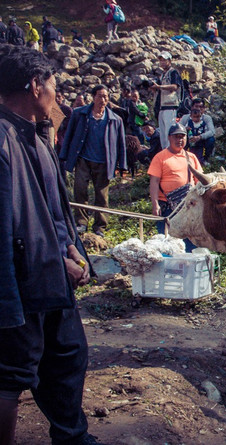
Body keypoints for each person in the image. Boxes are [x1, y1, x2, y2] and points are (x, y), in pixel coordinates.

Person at [0, 44, 104, 445]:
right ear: (34, 85)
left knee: (67, 356)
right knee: (13, 374)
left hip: (52, 277)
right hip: (23, 288)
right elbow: (9, 228)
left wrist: (72, 246)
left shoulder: (38, 135)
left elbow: (53, 208)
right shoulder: (4, 141)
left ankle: (72, 437)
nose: (56, 96)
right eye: (53, 87)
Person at [60, 84, 127, 236]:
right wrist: (65, 155)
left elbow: (120, 144)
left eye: (106, 97)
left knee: (102, 196)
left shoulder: (114, 119)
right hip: (83, 159)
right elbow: (69, 135)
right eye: (100, 96)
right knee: (80, 191)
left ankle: (100, 227)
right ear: (93, 97)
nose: (103, 100)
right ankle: (81, 223)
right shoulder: (80, 114)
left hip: (103, 162)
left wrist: (122, 165)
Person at [148, 123, 202, 252]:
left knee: (190, 242)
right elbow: (154, 182)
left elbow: (199, 181)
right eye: (176, 137)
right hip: (167, 207)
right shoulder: (160, 157)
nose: (180, 140)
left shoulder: (191, 157)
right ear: (169, 138)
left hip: (187, 207)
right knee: (167, 242)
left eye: (182, 137)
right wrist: (155, 204)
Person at [149, 51, 182, 150]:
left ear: (170, 61)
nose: (162, 62)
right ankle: (165, 153)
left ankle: (171, 152)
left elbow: (175, 86)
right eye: (161, 60)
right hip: (162, 107)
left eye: (164, 60)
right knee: (163, 134)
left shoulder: (173, 72)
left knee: (169, 132)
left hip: (170, 106)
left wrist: (160, 87)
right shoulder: (162, 74)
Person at [180, 98, 216, 165]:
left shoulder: (206, 118)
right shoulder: (186, 117)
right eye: (196, 106)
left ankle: (206, 159)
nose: (199, 109)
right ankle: (181, 156)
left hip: (201, 139)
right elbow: (178, 128)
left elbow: (212, 131)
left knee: (211, 139)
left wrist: (200, 137)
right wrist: (185, 129)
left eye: (201, 107)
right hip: (189, 139)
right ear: (192, 107)